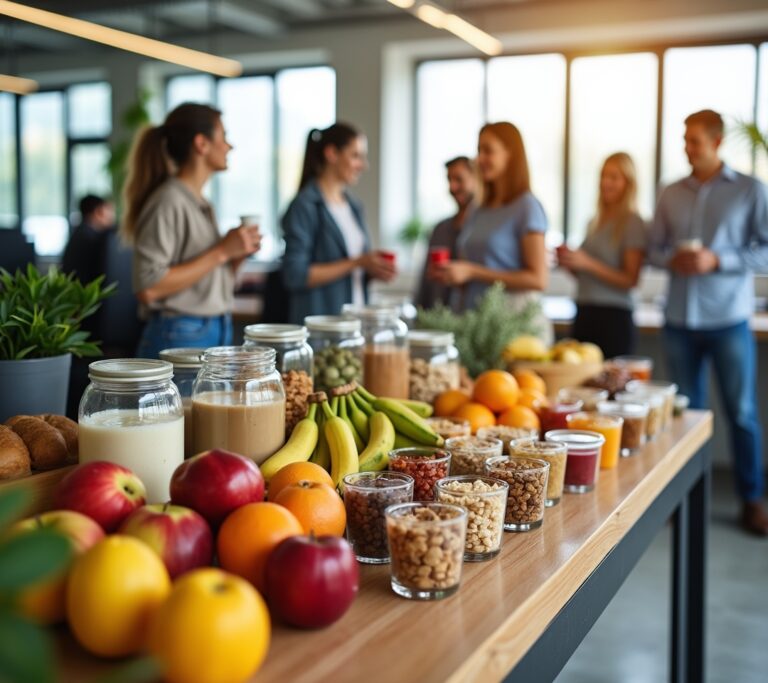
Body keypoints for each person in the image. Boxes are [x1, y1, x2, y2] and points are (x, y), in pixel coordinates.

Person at [648, 109, 768, 536]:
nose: (687, 147)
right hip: (679, 321)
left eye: (694, 140)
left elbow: (766, 251)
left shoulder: (751, 190)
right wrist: (673, 259)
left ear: (717, 142)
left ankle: (752, 501)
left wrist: (718, 259)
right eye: (684, 139)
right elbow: (653, 249)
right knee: (686, 416)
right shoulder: (669, 192)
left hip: (728, 320)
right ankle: (683, 501)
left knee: (742, 413)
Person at [121, 102, 261, 358]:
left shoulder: (203, 203)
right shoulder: (168, 200)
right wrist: (221, 251)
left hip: (214, 326)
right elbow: (148, 287)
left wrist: (236, 254)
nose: (230, 146)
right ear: (201, 144)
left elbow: (206, 279)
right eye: (224, 136)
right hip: (180, 332)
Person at [430, 122, 550, 337]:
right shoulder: (479, 208)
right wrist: (454, 275)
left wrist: (472, 272)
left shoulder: (527, 206)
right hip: (478, 326)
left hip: (513, 325)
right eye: (479, 150)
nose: (479, 159)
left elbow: (538, 279)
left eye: (488, 150)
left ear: (510, 154)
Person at [280, 122, 395, 324]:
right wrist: (357, 262)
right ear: (332, 153)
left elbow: (351, 272)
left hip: (354, 326)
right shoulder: (305, 206)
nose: (363, 165)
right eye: (355, 156)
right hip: (320, 330)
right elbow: (295, 275)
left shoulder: (354, 206)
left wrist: (371, 269)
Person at [556, 153, 647, 358]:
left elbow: (631, 279)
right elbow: (587, 274)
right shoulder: (593, 222)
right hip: (585, 311)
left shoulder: (633, 222)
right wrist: (571, 264)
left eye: (614, 177)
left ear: (628, 183)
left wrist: (587, 263)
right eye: (603, 176)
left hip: (614, 317)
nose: (606, 182)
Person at [415, 156, 477, 309]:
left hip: (473, 316)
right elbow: (425, 283)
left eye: (459, 179)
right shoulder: (440, 229)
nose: (452, 187)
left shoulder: (485, 231)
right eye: (449, 180)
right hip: (439, 316)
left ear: (476, 179)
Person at [62, 194, 116, 288]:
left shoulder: (81, 233)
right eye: (109, 210)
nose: (112, 215)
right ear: (99, 212)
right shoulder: (91, 239)